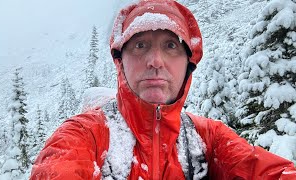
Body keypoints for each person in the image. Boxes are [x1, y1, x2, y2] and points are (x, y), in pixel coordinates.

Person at [30, 0, 296, 179]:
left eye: (170, 46)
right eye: (140, 45)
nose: (155, 61)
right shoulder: (86, 133)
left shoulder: (209, 137)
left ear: (188, 63)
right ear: (121, 62)